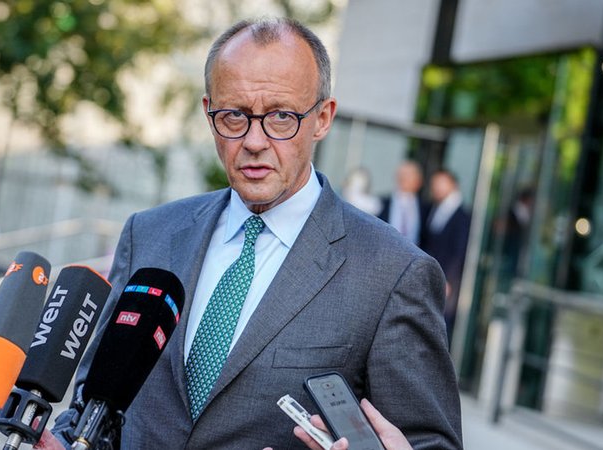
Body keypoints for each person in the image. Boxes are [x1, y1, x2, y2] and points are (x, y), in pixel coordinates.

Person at [42, 17, 462, 449]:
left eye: (281, 117)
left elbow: (432, 442)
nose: (255, 140)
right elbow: (93, 407)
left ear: (322, 118)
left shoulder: (392, 272)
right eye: (234, 116)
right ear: (210, 115)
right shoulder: (149, 235)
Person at [420, 169, 471, 345]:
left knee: (440, 324)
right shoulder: (433, 208)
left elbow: (458, 251)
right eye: (434, 184)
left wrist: (448, 279)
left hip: (447, 281)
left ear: (452, 185)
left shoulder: (462, 217)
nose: (436, 188)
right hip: (430, 275)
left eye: (440, 183)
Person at [377, 160, 428, 246]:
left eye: (409, 174)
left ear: (418, 180)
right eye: (401, 174)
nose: (404, 178)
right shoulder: (381, 204)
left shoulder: (426, 209)